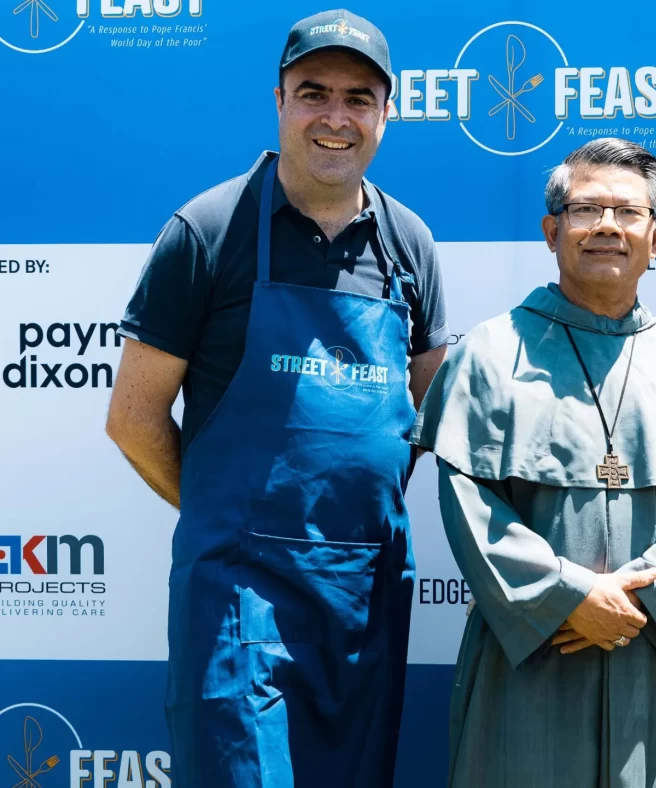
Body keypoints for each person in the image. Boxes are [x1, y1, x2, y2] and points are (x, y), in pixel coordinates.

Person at [104, 10, 447, 785]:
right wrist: (227, 517)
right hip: (238, 593)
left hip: (364, 594)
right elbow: (131, 418)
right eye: (313, 92)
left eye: (359, 98)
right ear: (280, 100)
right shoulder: (208, 229)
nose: (336, 117)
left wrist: (345, 517)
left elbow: (431, 417)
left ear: (386, 112)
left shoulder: (410, 243)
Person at [411, 138, 656, 787]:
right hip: (529, 654)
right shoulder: (488, 353)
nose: (607, 227)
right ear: (551, 229)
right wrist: (569, 597)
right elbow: (470, 503)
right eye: (587, 209)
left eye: (628, 212)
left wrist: (634, 603)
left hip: (645, 653)